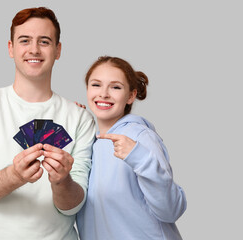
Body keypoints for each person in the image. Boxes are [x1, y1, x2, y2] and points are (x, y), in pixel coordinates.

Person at [0, 7, 96, 240]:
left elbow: (73, 206)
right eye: (25, 40)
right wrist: (14, 175)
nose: (34, 49)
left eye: (44, 41)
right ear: (11, 48)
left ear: (58, 50)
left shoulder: (80, 118)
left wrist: (62, 181)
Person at [76, 56, 187, 240]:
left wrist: (139, 157)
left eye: (115, 87)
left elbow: (171, 209)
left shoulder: (139, 137)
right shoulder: (91, 144)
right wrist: (73, 123)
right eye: (96, 85)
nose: (103, 94)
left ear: (131, 96)